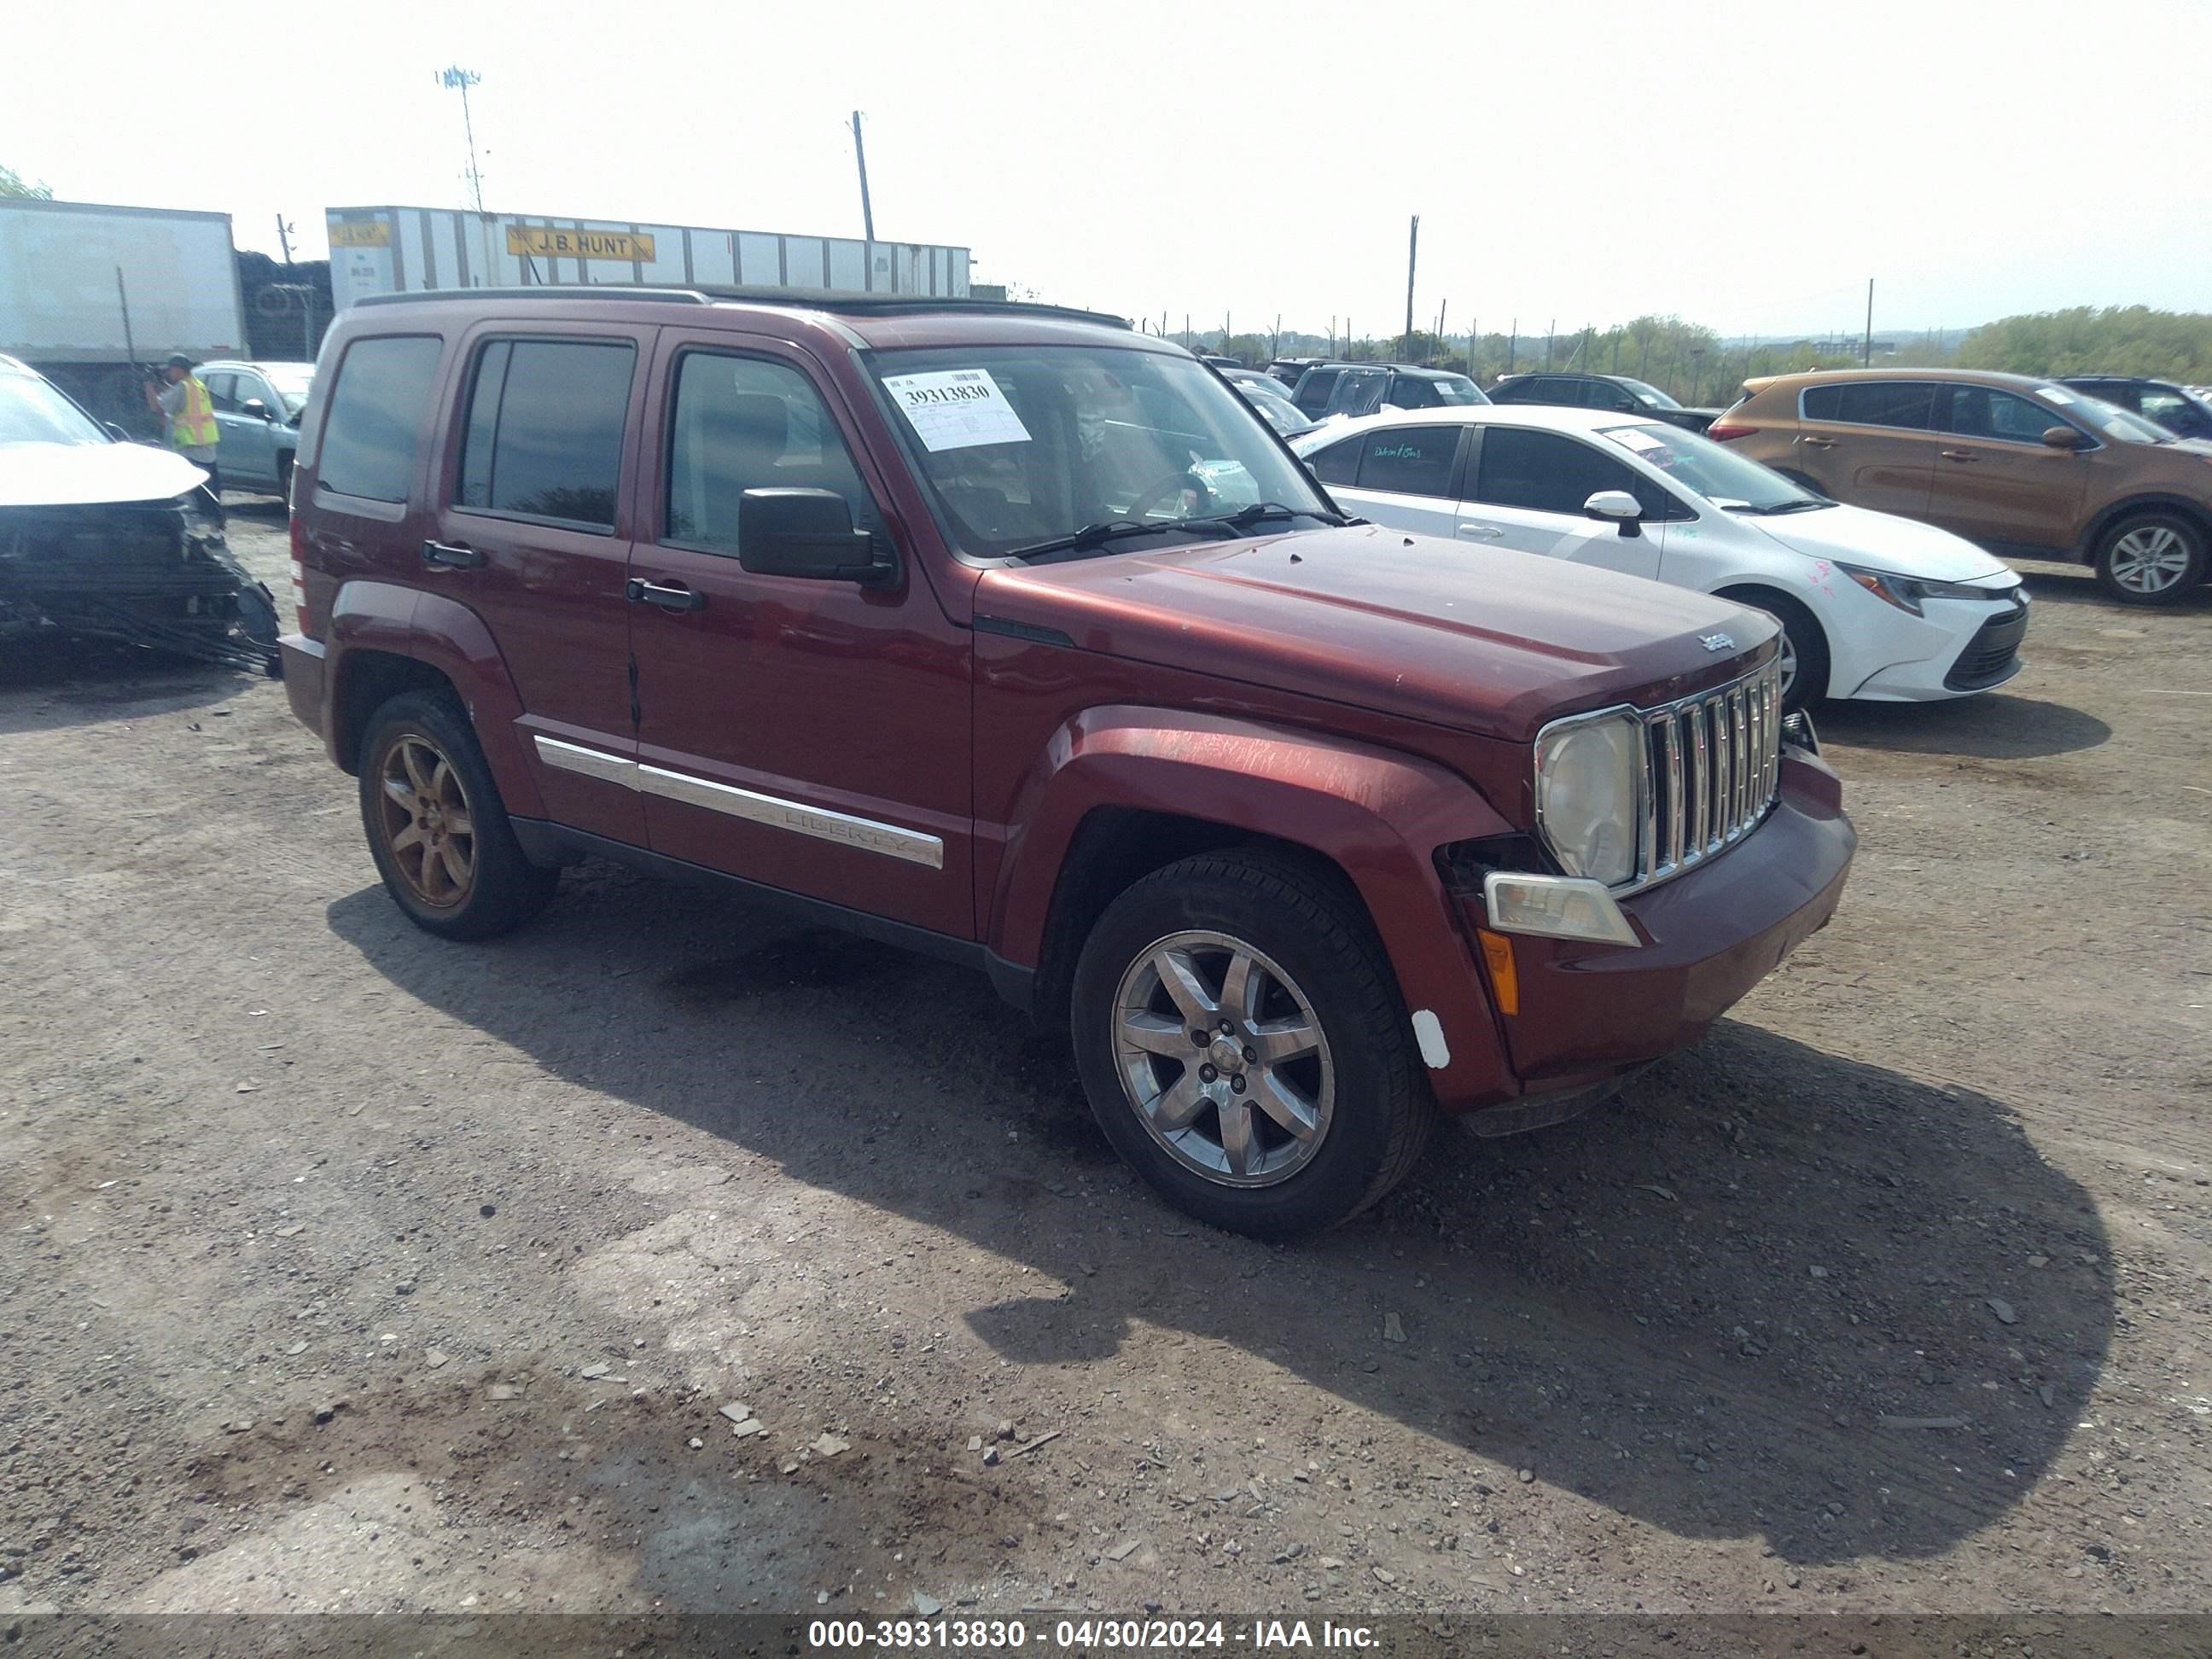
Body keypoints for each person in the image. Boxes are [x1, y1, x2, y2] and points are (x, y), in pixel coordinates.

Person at [146, 353, 223, 518]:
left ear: (179, 370)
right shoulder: (196, 385)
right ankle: (215, 531)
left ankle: (190, 525)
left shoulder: (183, 388)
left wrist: (149, 385)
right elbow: (175, 399)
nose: (169, 374)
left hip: (191, 447)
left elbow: (157, 407)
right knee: (211, 491)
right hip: (206, 445)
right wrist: (162, 384)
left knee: (189, 491)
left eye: (170, 370)